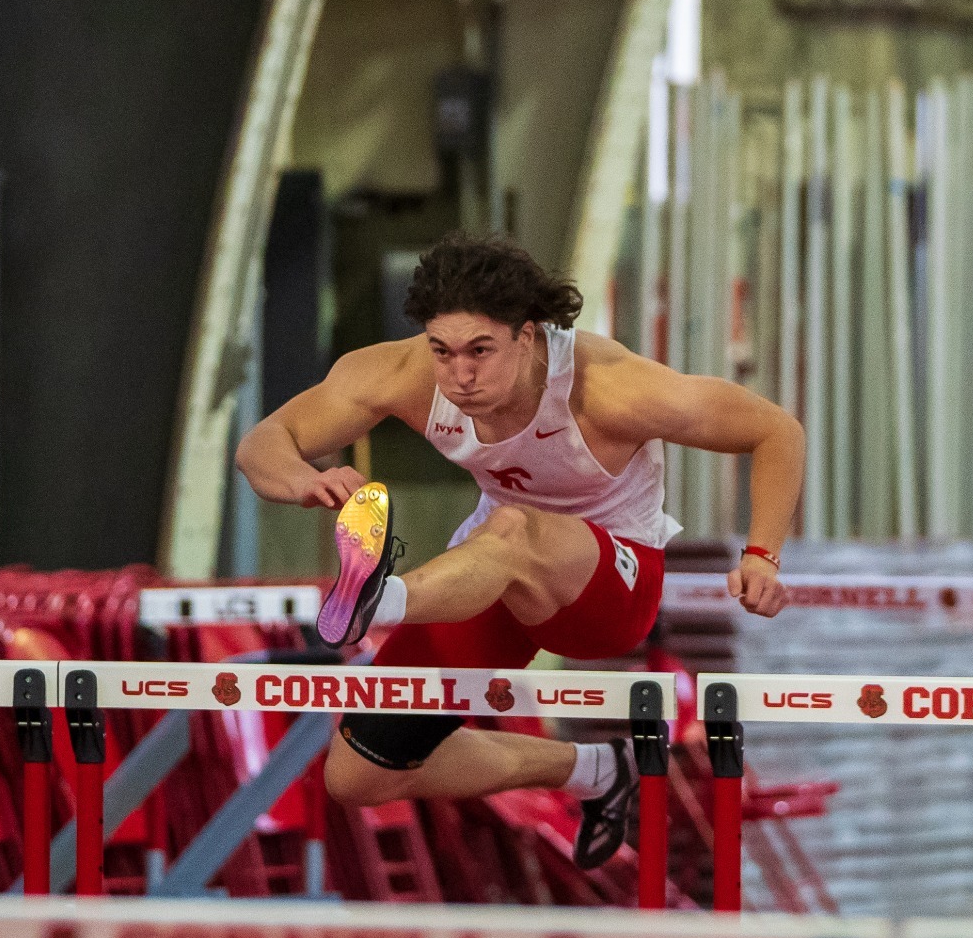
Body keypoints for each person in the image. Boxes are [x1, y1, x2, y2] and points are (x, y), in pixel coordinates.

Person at [235, 234, 802, 868]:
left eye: (481, 351)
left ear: (528, 337)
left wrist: (762, 554)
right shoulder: (403, 374)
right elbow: (265, 442)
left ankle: (380, 597)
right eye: (443, 352)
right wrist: (303, 481)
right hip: (497, 580)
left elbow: (775, 430)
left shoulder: (608, 389)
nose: (461, 376)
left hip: (612, 588)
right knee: (358, 776)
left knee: (511, 528)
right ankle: (595, 770)